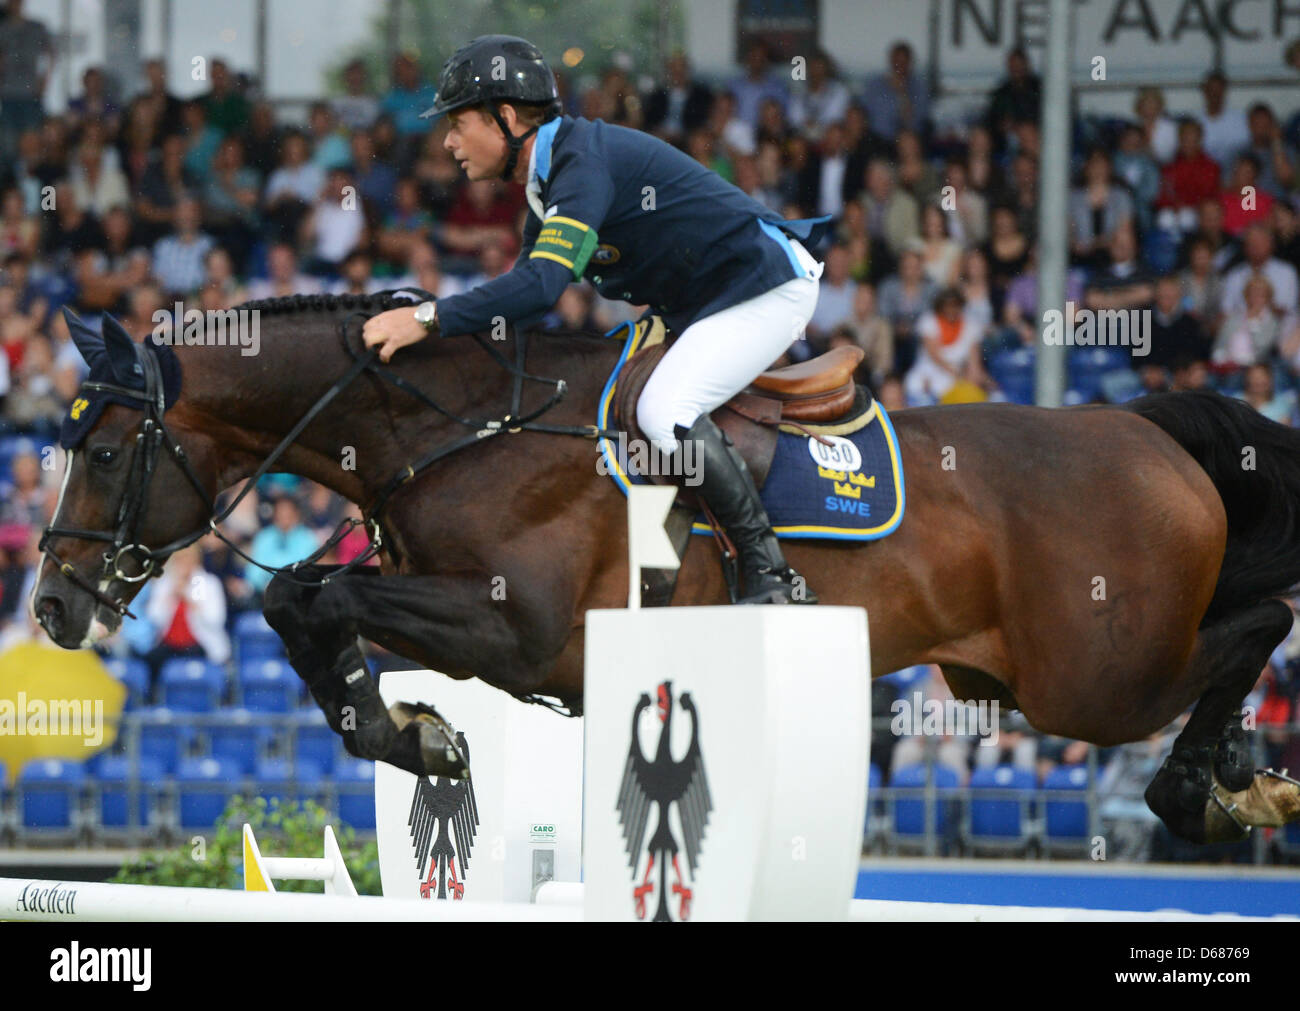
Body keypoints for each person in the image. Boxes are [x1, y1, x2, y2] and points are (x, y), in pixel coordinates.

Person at [361, 36, 830, 605]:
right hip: (706, 302)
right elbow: (522, 295)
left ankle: (769, 573)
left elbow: (540, 288)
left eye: (458, 124)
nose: (448, 141)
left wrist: (428, 319)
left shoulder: (581, 165)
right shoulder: (549, 178)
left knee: (663, 411)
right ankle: (657, 581)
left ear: (505, 118)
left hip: (765, 288)